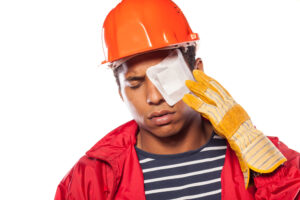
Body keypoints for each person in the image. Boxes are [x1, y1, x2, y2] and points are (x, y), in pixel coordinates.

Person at [55, 0, 300, 199]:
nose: (154, 97)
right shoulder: (91, 178)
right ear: (120, 91)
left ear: (198, 72)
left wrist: (269, 171)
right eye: (136, 84)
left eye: (167, 76)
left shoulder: (272, 159)